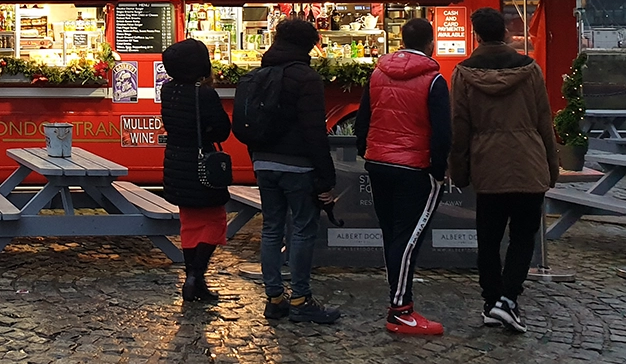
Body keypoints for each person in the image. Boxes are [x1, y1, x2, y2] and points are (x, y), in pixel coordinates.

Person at [450, 7, 559, 334]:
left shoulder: (463, 73)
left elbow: (459, 128)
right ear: (507, 33)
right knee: (523, 238)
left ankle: (492, 302)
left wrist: (459, 171)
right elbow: (544, 120)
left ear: (477, 35)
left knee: (488, 238)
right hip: (529, 161)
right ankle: (508, 300)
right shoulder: (530, 69)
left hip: (488, 165)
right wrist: (551, 168)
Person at [354, 17, 451, 336]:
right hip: (414, 167)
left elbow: (362, 119)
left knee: (391, 234)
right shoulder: (434, 80)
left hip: (379, 162)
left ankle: (399, 301)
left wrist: (366, 151)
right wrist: (438, 170)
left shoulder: (378, 74)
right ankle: (400, 310)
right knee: (408, 239)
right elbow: (441, 131)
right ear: (430, 43)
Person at [253, 17, 341, 323]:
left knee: (271, 227)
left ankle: (275, 298)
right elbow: (314, 131)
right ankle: (302, 299)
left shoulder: (260, 74)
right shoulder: (306, 78)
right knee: (303, 228)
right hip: (297, 165)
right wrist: (326, 178)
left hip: (263, 162)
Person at [160, 39, 232, 304]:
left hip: (176, 162)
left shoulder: (169, 90)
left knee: (189, 223)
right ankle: (195, 278)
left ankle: (194, 279)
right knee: (215, 221)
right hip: (202, 163)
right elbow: (222, 129)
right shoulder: (204, 93)